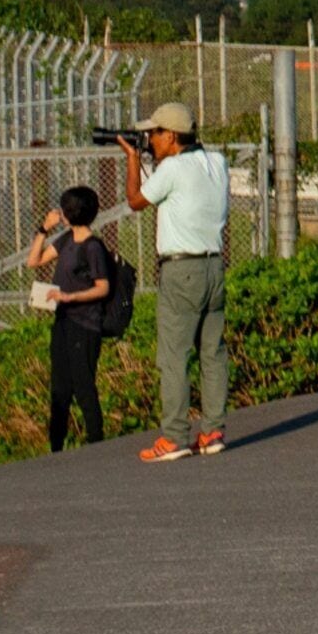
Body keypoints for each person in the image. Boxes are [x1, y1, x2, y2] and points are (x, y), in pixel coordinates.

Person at [124, 100, 230, 464]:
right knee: (212, 352)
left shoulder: (172, 169)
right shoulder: (217, 163)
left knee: (174, 355)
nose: (150, 139)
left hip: (180, 268)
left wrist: (133, 159)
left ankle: (174, 437)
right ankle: (212, 430)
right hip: (214, 265)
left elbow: (136, 200)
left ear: (170, 135)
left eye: (154, 133)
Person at [24, 185, 121, 454]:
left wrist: (70, 297)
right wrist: (44, 230)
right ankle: (56, 448)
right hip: (63, 324)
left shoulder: (93, 248)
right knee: (60, 388)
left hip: (85, 325)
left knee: (83, 386)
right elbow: (34, 261)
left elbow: (103, 288)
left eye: (63, 209)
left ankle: (96, 444)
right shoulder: (66, 240)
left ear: (71, 213)